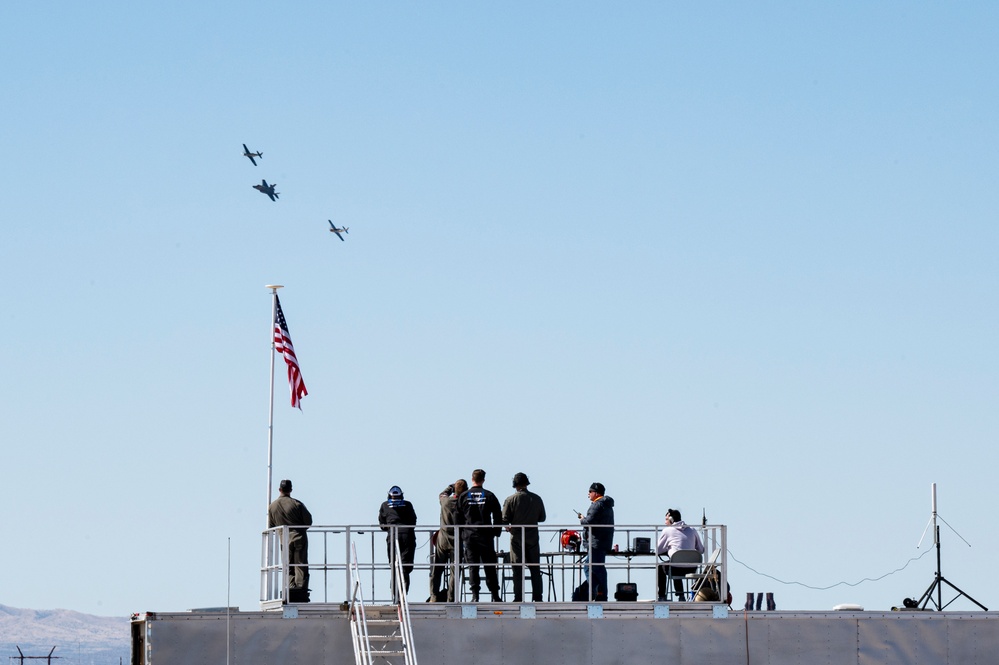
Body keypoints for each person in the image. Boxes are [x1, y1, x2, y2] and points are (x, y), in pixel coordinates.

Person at [456, 468, 503, 602]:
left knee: (473, 566)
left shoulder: (463, 496)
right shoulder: (489, 495)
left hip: (469, 536)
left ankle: (475, 596)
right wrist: (496, 531)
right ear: (483, 480)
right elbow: (498, 514)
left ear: (472, 479)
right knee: (490, 566)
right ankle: (495, 595)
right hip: (486, 536)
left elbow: (457, 518)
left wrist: (461, 534)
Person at [502, 472, 547, 602]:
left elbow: (504, 519)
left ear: (515, 485)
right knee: (535, 569)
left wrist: (509, 527)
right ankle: (538, 597)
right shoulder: (537, 498)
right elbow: (542, 518)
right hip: (532, 537)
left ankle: (518, 597)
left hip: (516, 537)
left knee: (517, 568)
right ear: (527, 483)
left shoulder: (510, 500)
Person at [267, 479, 313, 602]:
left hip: (284, 540)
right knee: (300, 564)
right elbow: (308, 522)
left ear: (279, 490)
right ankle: (301, 589)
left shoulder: (272, 507)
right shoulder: (297, 504)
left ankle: (290, 586)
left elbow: (271, 526)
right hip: (299, 538)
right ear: (291, 490)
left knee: (288, 566)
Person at [430, 478, 467, 602]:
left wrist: (450, 487)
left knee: (437, 569)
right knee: (455, 571)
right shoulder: (464, 504)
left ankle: (434, 596)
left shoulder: (445, 501)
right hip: (457, 541)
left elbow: (442, 494)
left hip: (443, 539)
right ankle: (451, 598)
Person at [656, 508, 704, 601]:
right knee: (676, 561)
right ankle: (681, 595)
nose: (665, 522)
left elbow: (658, 550)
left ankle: (662, 596)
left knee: (663, 566)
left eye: (666, 519)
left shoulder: (667, 531)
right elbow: (701, 550)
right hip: (692, 568)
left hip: (675, 568)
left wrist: (668, 550)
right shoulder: (692, 530)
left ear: (671, 520)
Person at [378, 486, 418, 599]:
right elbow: (413, 522)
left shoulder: (384, 505)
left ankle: (395, 595)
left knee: (394, 565)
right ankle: (402, 595)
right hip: (408, 535)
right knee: (405, 567)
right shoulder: (408, 504)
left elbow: (382, 525)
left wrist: (391, 528)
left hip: (392, 535)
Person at [579, 482, 615, 601]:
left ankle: (599, 592)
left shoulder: (596, 505)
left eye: (590, 492)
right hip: (604, 541)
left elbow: (589, 522)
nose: (588, 494)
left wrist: (582, 519)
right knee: (594, 567)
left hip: (596, 542)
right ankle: (597, 592)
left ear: (595, 493)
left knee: (592, 568)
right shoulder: (607, 505)